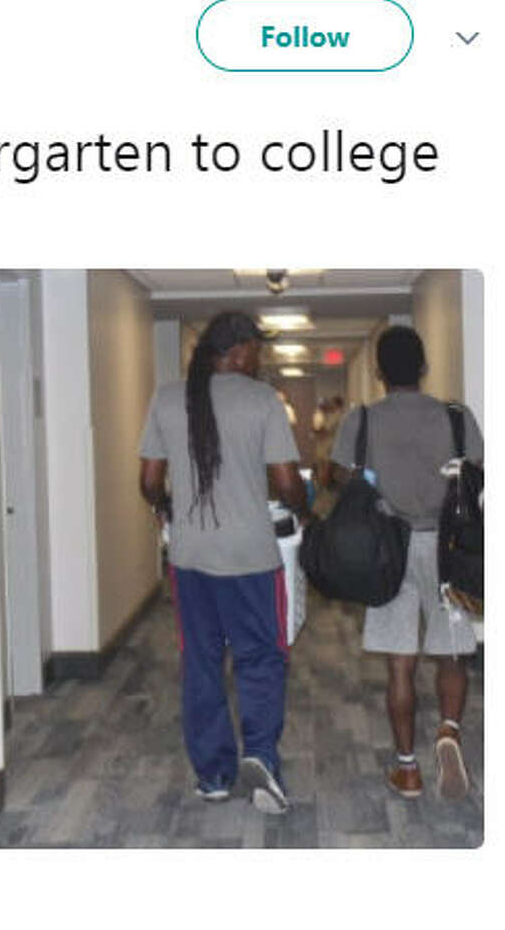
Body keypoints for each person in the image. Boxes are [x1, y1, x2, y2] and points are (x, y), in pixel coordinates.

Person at [138, 311, 309, 814]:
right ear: (237, 351)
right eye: (258, 349)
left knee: (201, 662)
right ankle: (259, 757)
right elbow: (284, 481)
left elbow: (149, 482)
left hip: (190, 558)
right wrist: (304, 506)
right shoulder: (262, 401)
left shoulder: (168, 399)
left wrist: (169, 513)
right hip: (252, 558)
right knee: (261, 659)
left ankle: (212, 774)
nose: (262, 358)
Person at [330, 326, 482, 801]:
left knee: (401, 664)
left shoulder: (363, 420)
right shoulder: (456, 418)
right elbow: (477, 476)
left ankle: (407, 769)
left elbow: (340, 478)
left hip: (389, 549)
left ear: (378, 372)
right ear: (423, 368)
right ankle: (449, 733)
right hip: (449, 552)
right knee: (453, 651)